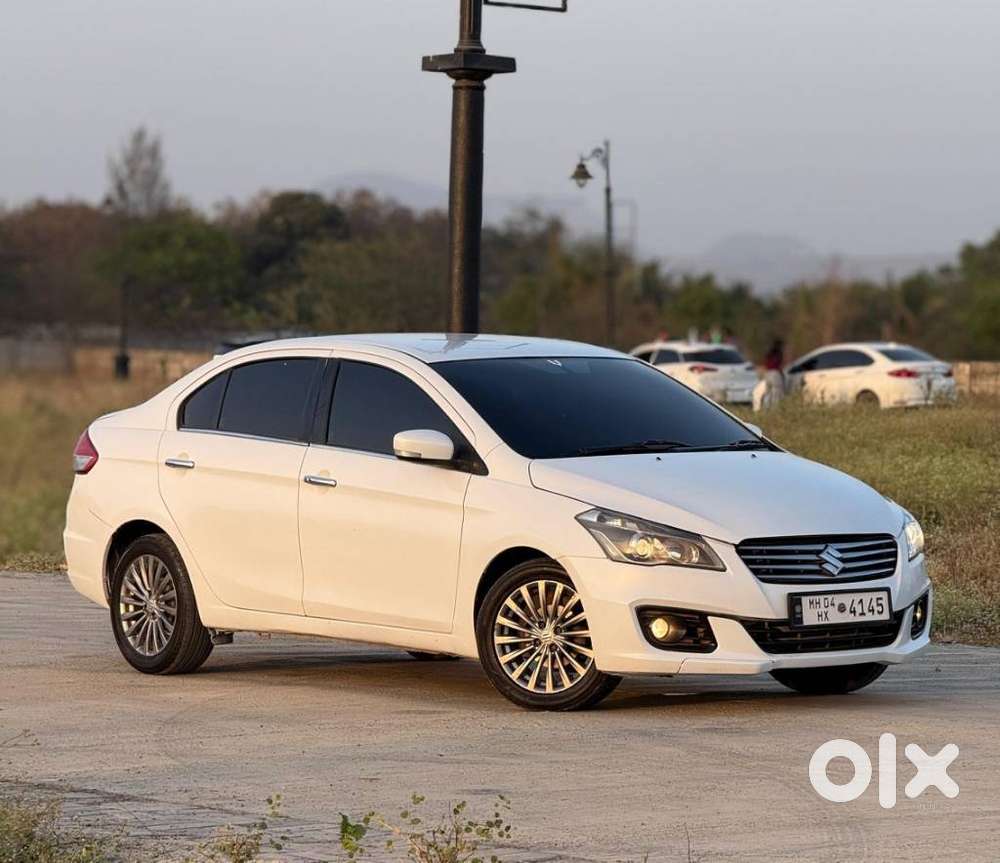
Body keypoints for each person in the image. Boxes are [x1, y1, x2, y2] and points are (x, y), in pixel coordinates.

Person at [753, 338, 786, 411]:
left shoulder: (769, 353)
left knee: (768, 393)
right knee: (776, 393)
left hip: (767, 373)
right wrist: (782, 374)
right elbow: (778, 364)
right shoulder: (778, 353)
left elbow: (765, 363)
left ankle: (766, 409)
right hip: (775, 373)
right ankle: (775, 410)